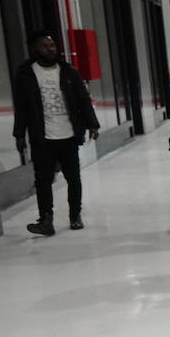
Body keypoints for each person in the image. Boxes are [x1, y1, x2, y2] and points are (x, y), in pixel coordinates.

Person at [12, 31, 100, 236]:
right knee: (43, 180)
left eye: (52, 45)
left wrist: (93, 124)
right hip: (42, 137)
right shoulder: (25, 74)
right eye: (45, 46)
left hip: (68, 134)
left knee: (73, 178)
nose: (50, 49)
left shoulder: (68, 71)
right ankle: (46, 220)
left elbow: (83, 99)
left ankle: (75, 216)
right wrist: (19, 135)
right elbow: (21, 107)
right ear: (35, 48)